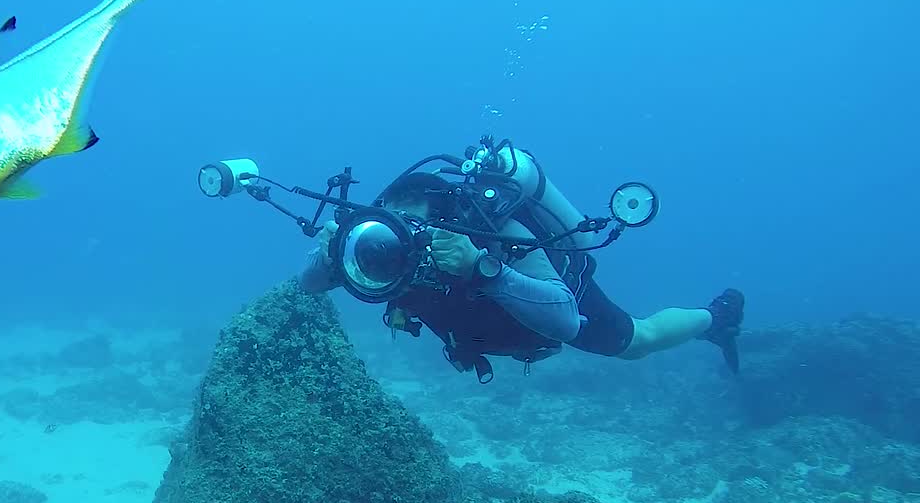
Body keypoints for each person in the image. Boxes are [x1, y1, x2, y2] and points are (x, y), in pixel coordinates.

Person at [298, 162, 744, 380]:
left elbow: (566, 320)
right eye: (395, 226)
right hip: (487, 334)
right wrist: (331, 254)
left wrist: (480, 267)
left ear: (450, 219)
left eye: (419, 226)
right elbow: (309, 285)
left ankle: (718, 318)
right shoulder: (383, 253)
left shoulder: (494, 233)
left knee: (637, 342)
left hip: (544, 307)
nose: (403, 240)